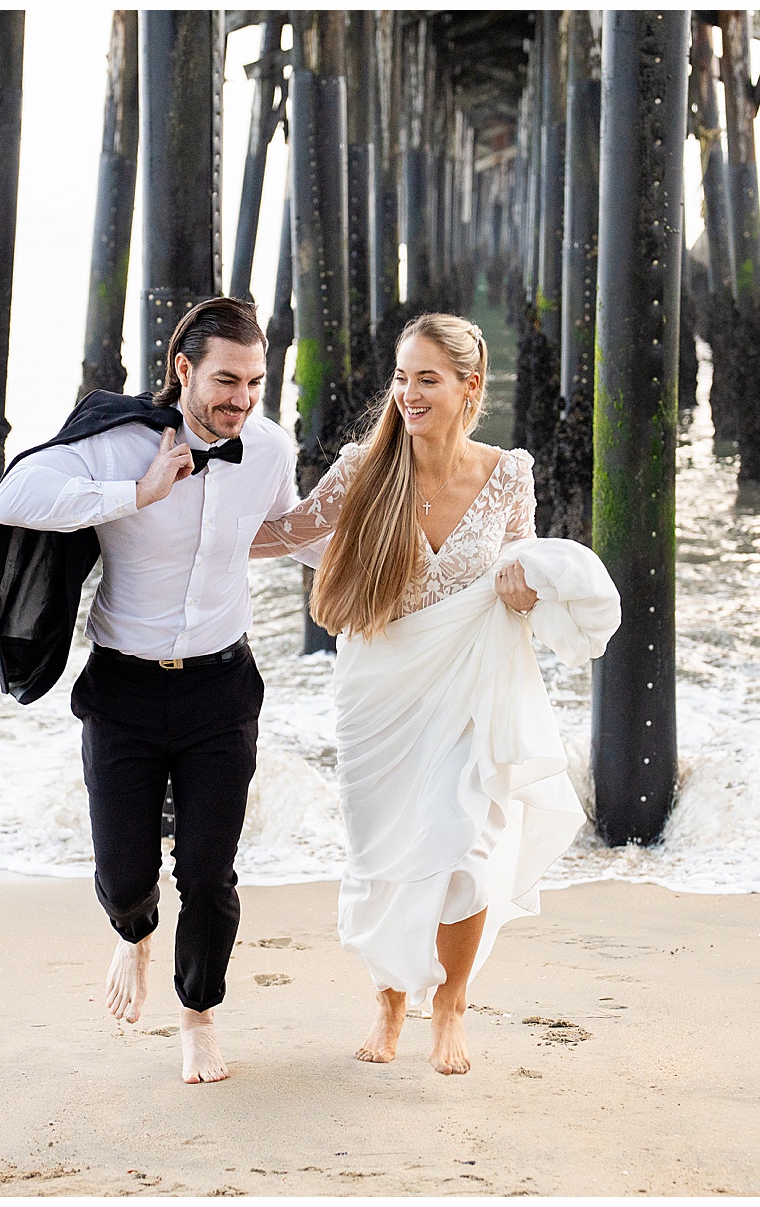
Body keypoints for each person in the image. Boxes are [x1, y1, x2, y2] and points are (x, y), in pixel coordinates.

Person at [252, 313, 619, 1075]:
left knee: (465, 844)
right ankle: (390, 997)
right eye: (401, 377)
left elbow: (519, 562)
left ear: (468, 386)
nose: (408, 394)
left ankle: (449, 1005)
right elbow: (285, 533)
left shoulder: (507, 473)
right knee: (384, 853)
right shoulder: (365, 466)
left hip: (468, 686)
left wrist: (526, 586)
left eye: (427, 379)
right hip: (379, 690)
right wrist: (166, 516)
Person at [0, 297, 301, 1084]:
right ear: (184, 370)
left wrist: (388, 570)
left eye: (256, 383)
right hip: (124, 690)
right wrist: (137, 494)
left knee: (208, 871)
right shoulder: (118, 443)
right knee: (127, 878)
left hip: (221, 688)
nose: (242, 399)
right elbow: (11, 498)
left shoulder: (266, 447)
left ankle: (198, 1014)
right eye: (228, 380)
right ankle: (133, 931)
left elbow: (284, 531)